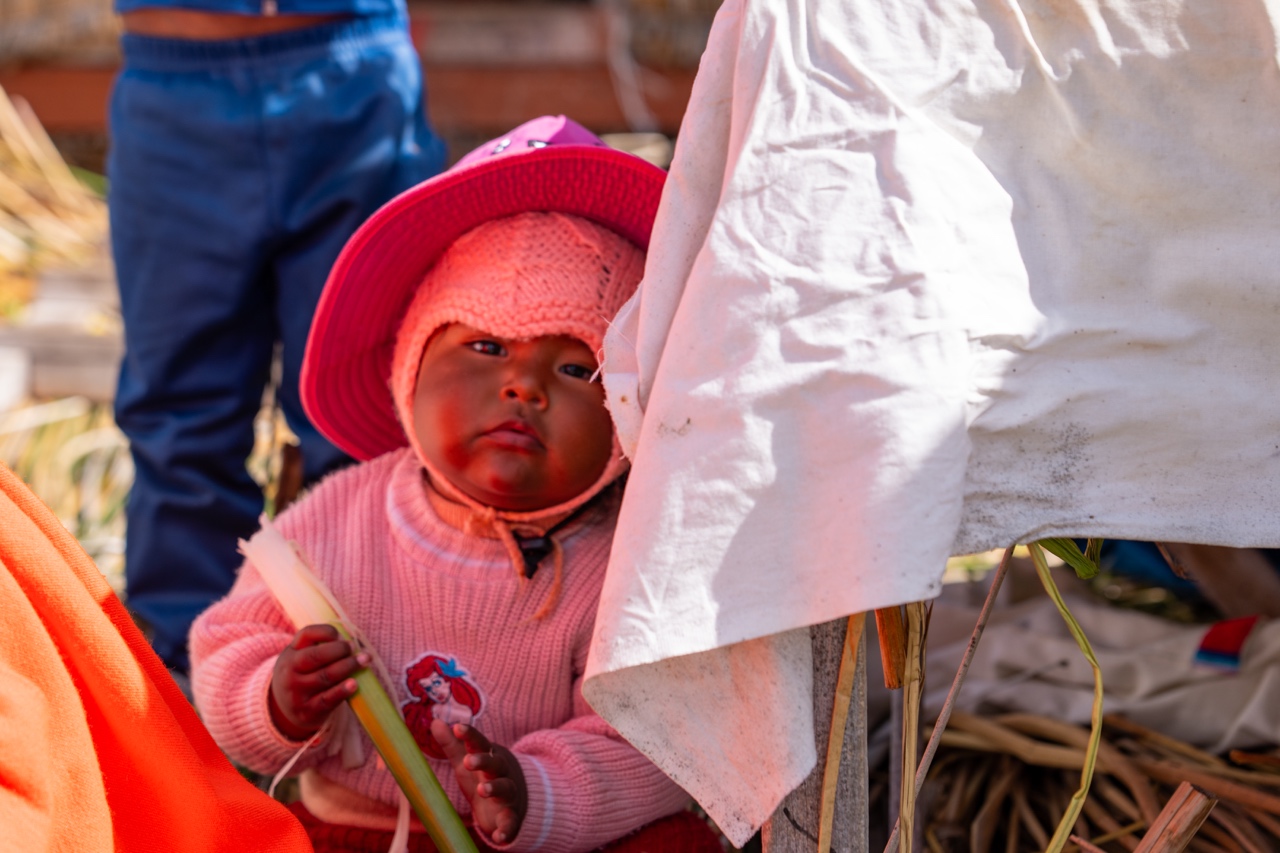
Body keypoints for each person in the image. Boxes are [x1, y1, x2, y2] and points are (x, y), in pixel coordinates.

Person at [190, 116, 723, 853]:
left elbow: (650, 737)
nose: (522, 387)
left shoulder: (629, 559)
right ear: (412, 361)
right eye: (485, 345)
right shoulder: (338, 519)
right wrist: (278, 700)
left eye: (576, 368)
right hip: (356, 825)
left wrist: (534, 793)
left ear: (633, 407)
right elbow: (228, 644)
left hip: (563, 839)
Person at [108, 0, 447, 678]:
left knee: (363, 410)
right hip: (173, 88)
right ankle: (186, 690)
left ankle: (366, 689)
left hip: (354, 76)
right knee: (180, 413)